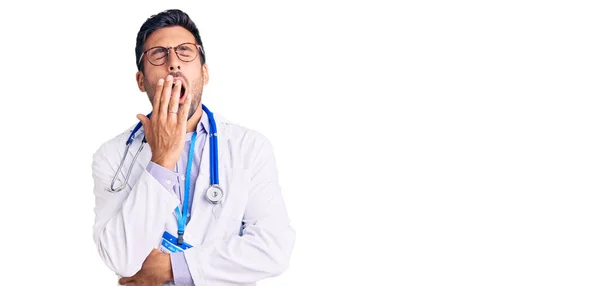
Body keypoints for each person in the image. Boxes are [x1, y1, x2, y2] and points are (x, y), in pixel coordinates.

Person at [90, 9, 296, 286]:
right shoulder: (112, 155)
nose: (173, 62)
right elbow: (121, 258)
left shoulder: (249, 147)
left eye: (185, 51)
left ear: (204, 72)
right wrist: (161, 161)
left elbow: (273, 250)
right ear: (141, 80)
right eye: (159, 54)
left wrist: (173, 267)